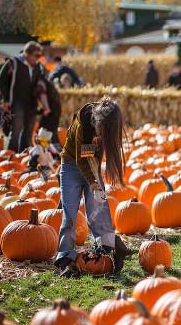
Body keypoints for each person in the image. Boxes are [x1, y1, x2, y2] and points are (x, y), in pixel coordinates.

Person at [54, 98, 128, 277]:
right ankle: (65, 257)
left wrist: (97, 185)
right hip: (71, 165)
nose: (103, 136)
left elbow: (94, 158)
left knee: (99, 209)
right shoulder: (83, 125)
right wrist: (94, 184)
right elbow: (82, 160)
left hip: (91, 166)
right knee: (70, 214)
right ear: (97, 122)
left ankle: (108, 247)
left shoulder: (107, 127)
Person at [0, 41, 44, 152]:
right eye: (36, 55)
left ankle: (24, 155)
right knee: (16, 131)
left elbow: (40, 82)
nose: (38, 58)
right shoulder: (13, 62)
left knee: (28, 131)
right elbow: (2, 81)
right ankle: (11, 157)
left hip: (31, 103)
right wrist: (5, 99)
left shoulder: (38, 66)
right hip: (16, 102)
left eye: (39, 55)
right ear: (27, 53)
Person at [36, 74, 62, 147]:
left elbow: (43, 95)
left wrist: (45, 108)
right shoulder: (47, 83)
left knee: (43, 131)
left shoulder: (40, 83)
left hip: (51, 110)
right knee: (52, 131)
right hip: (56, 109)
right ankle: (56, 150)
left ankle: (45, 150)